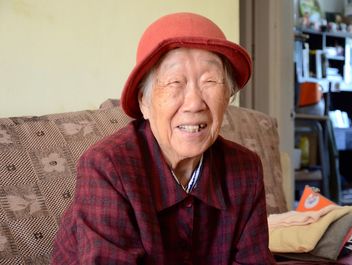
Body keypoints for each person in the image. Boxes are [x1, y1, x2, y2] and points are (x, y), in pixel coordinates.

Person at [51, 12, 276, 264]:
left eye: (210, 81)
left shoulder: (246, 169)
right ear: (144, 102)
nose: (194, 103)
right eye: (174, 82)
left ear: (228, 97)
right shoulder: (108, 167)